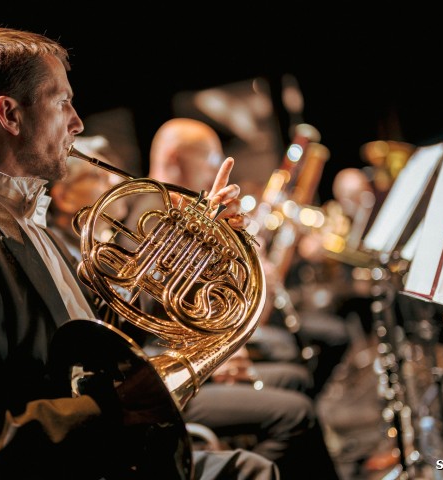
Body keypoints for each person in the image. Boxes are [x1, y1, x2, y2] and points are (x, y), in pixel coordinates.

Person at [0, 26, 279, 480]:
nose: (77, 122)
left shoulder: (18, 213)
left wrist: (197, 245)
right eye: (62, 102)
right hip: (64, 465)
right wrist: (109, 410)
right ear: (10, 114)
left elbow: (89, 332)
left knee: (251, 469)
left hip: (90, 453)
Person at [128, 117, 341, 479]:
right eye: (212, 162)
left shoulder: (178, 207)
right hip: (165, 373)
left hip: (191, 355)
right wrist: (212, 355)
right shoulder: (148, 212)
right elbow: (148, 312)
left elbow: (197, 293)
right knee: (296, 412)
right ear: (177, 159)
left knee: (294, 379)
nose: (216, 171)